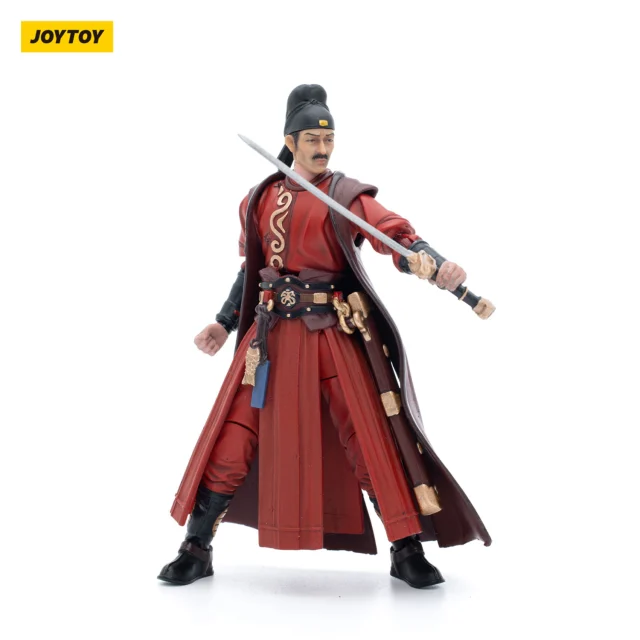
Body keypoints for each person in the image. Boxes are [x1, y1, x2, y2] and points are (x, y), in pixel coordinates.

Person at [158, 84, 491, 589]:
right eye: (312, 139)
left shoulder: (345, 195)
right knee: (233, 438)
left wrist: (433, 261)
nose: (322, 148)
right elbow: (252, 269)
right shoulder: (259, 199)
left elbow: (392, 233)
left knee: (367, 439)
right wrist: (224, 323)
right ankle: (196, 546)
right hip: (269, 340)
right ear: (290, 141)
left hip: (331, 333)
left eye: (328, 139)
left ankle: (405, 549)